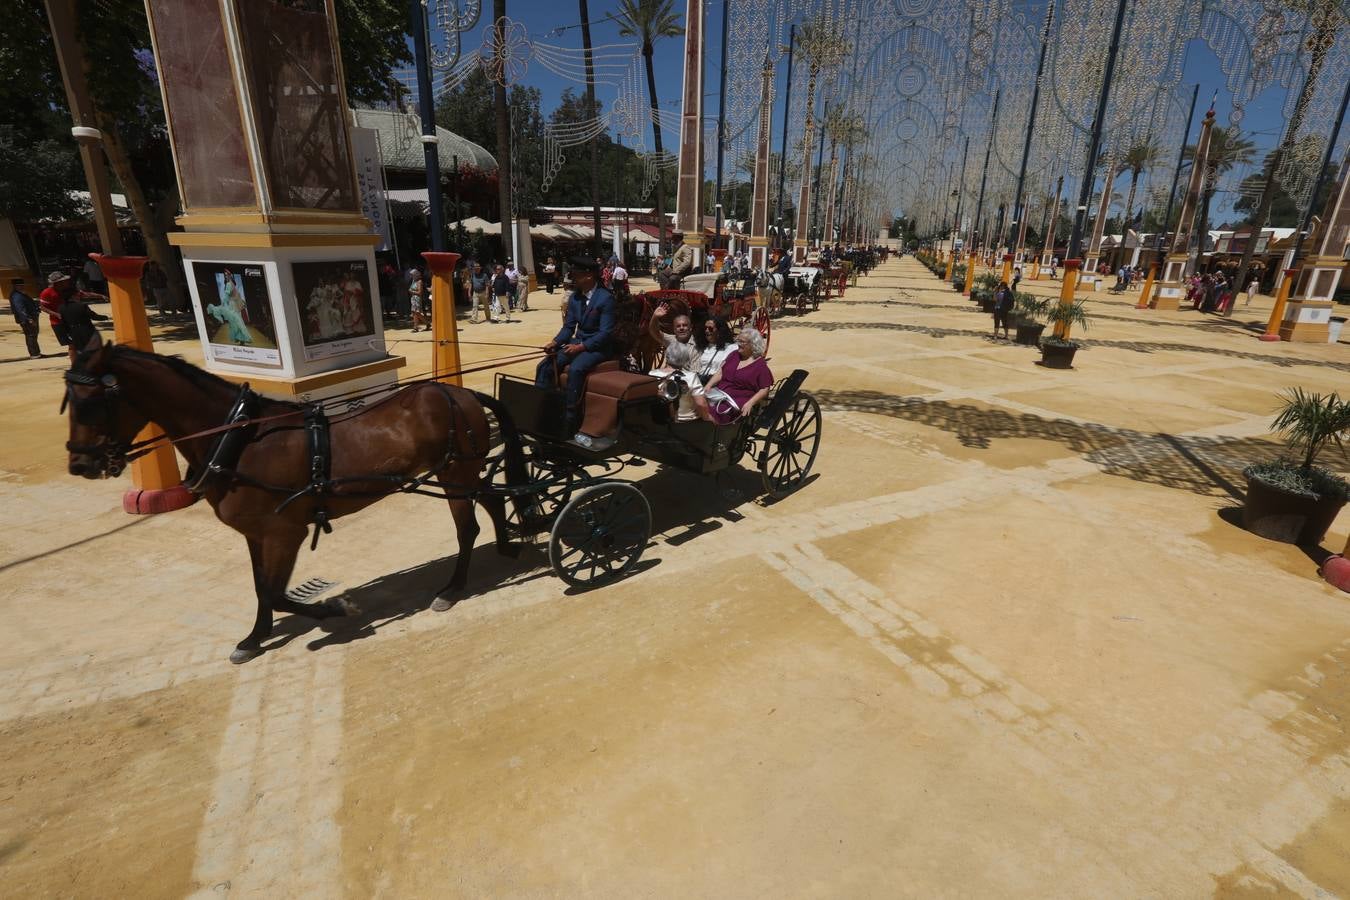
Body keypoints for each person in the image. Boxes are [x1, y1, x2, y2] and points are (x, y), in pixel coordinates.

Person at [536, 256, 616, 439]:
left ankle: (570, 417)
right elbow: (568, 328)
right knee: (545, 365)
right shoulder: (575, 298)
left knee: (577, 369)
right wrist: (555, 343)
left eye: (576, 275)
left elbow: (605, 334)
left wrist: (581, 348)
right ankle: (542, 407)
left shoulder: (606, 299)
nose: (573, 279)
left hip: (599, 347)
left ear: (589, 276)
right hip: (577, 343)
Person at [695, 326, 772, 425]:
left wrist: (750, 403)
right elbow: (720, 372)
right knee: (697, 401)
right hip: (720, 393)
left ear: (753, 345)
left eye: (742, 342)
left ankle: (712, 429)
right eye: (738, 340)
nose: (738, 344)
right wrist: (708, 386)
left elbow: (765, 389)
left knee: (715, 410)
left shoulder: (760, 365)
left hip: (738, 399)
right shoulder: (734, 355)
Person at [42, 271, 108, 364]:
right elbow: (43, 307)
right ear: (56, 283)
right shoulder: (46, 292)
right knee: (72, 345)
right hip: (58, 323)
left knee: (80, 344)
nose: (66, 282)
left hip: (73, 321)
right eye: (63, 280)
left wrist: (100, 295)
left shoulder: (69, 289)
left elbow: (83, 294)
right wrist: (57, 314)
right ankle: (75, 364)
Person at [648, 339, 702, 422]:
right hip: (688, 422)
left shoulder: (652, 374)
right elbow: (701, 404)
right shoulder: (691, 377)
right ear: (685, 358)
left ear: (667, 355)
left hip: (658, 421)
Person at [692, 314, 735, 385]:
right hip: (701, 382)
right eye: (705, 328)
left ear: (719, 331)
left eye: (710, 328)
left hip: (719, 384)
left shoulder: (731, 348)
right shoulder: (702, 347)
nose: (706, 330)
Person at [10, 278, 42, 358]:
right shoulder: (16, 296)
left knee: (33, 335)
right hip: (27, 319)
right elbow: (20, 309)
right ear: (14, 286)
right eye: (18, 286)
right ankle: (34, 354)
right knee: (31, 335)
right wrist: (29, 319)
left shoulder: (20, 294)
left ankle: (36, 353)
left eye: (22, 285)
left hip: (29, 317)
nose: (21, 287)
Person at [408, 266, 426, 332]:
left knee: (417, 313)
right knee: (414, 312)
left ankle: (416, 327)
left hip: (417, 298)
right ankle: (420, 325)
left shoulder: (419, 282)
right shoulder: (413, 281)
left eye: (413, 275)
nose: (412, 276)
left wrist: (412, 291)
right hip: (413, 298)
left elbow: (420, 292)